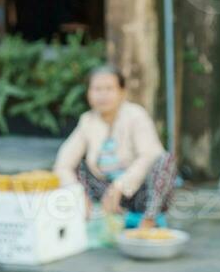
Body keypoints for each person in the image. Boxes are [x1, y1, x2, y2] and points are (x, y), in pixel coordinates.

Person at [54, 66, 176, 227]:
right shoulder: (87, 121)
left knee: (165, 160)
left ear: (122, 92)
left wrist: (121, 186)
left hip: (139, 193)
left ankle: (148, 221)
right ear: (88, 93)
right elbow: (63, 164)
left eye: (109, 89)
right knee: (76, 167)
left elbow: (149, 155)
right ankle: (91, 212)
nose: (102, 95)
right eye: (97, 89)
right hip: (104, 194)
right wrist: (77, 194)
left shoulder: (136, 116)